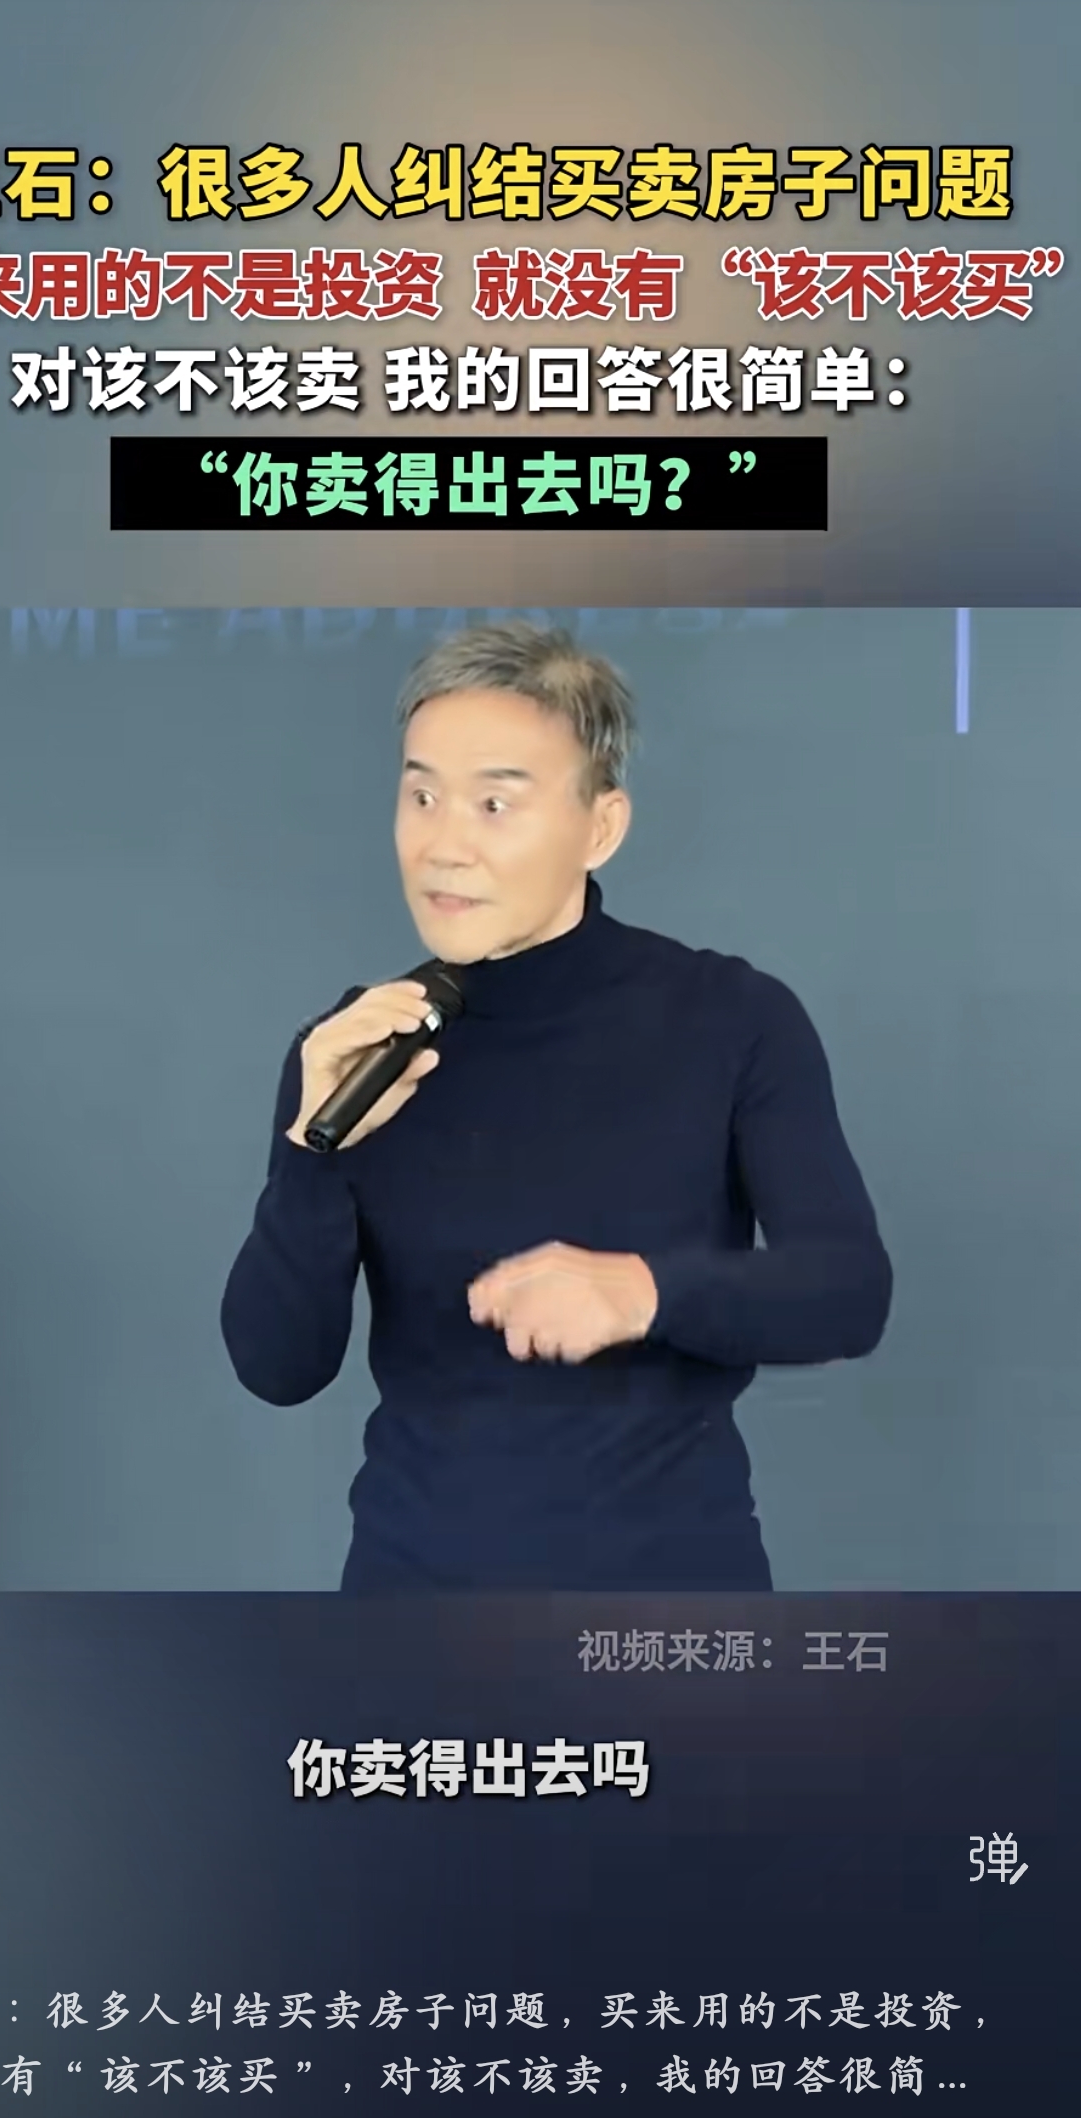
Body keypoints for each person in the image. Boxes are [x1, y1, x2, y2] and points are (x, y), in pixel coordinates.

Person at [222, 622, 893, 1591]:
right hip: (409, 1612)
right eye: (421, 796)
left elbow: (848, 1293)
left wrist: (641, 1293)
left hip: (668, 1609)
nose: (444, 845)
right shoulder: (360, 1046)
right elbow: (278, 1368)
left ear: (600, 828)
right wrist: (309, 1153)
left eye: (495, 803)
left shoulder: (731, 1017)